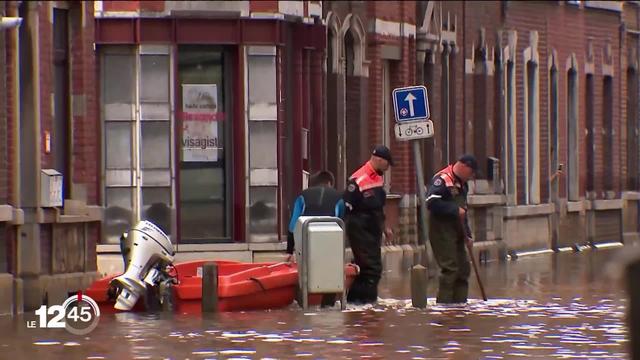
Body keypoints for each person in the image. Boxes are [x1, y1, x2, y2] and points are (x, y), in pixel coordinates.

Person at [343, 145, 394, 304]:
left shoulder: (377, 177)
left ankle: (362, 301)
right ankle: (363, 304)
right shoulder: (358, 179)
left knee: (371, 267)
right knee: (370, 268)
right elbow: (347, 206)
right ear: (378, 159)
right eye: (387, 163)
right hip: (360, 228)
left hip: (373, 229)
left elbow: (378, 206)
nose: (388, 167)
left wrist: (385, 227)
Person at [426, 154, 478, 304]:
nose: (471, 177)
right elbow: (431, 202)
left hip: (458, 230)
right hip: (442, 231)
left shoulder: (463, 184)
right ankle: (445, 307)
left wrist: (468, 235)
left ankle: (459, 306)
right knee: (450, 269)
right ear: (463, 166)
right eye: (471, 173)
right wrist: (454, 210)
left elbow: (464, 212)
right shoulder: (442, 179)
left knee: (463, 269)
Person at [286, 170, 345, 262]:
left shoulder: (303, 195)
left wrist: (289, 251)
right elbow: (343, 222)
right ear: (330, 183)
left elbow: (293, 225)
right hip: (331, 242)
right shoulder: (339, 197)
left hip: (307, 242)